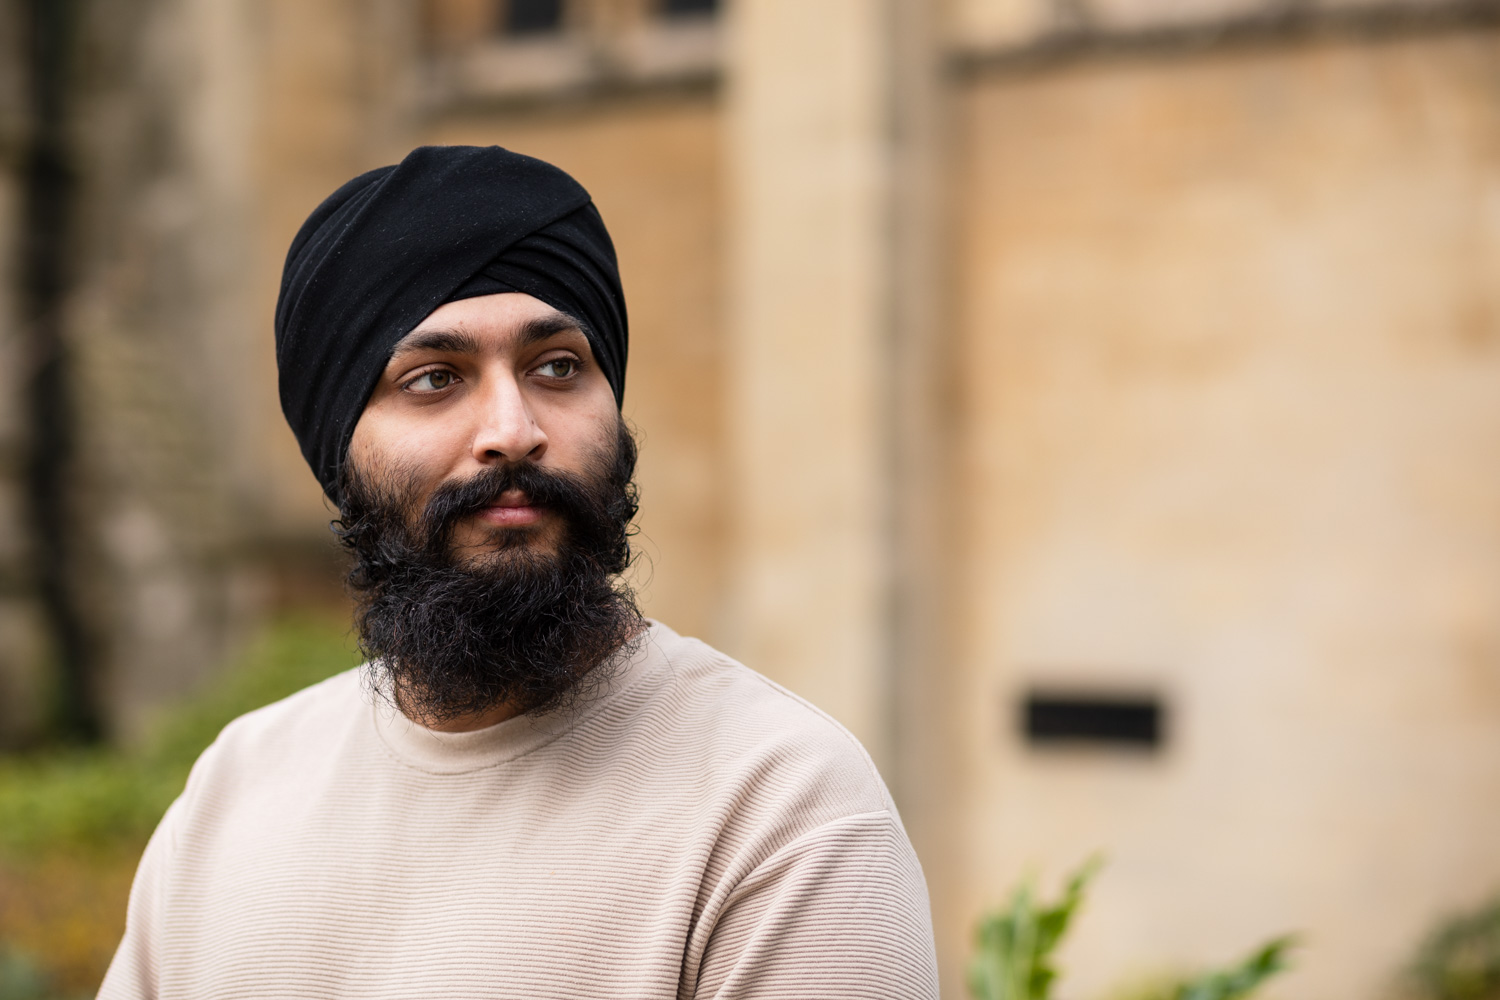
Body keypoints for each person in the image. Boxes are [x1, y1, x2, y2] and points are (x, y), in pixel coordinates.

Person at [99, 145, 939, 1000]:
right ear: (337, 450)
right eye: (434, 379)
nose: (513, 428)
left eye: (558, 368)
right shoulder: (236, 790)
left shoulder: (779, 805)